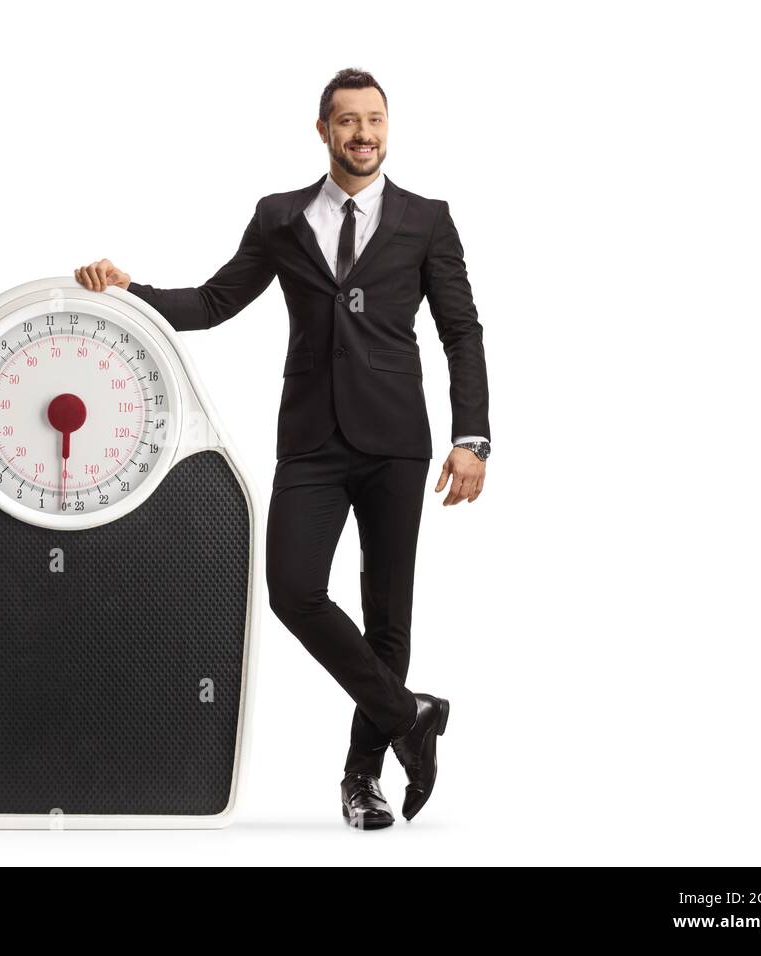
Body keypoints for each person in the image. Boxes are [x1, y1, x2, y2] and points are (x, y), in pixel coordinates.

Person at [75, 67, 490, 830]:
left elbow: (460, 332)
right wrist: (131, 292)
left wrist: (473, 438)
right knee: (293, 589)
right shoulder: (280, 216)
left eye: (375, 120)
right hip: (311, 440)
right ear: (323, 129)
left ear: (387, 129)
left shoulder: (427, 219)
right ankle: (412, 715)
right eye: (347, 121)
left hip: (399, 440)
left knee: (387, 617)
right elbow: (213, 301)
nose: (363, 134)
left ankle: (361, 779)